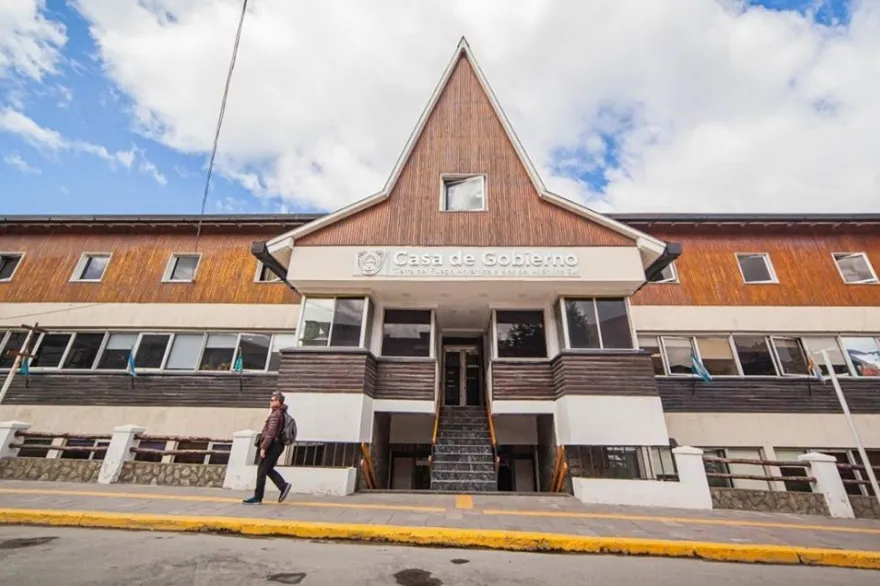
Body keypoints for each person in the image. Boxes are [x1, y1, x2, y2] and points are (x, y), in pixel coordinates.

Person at [243, 391, 292, 504]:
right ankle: (283, 486)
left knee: (261, 471)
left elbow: (271, 433)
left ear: (278, 402)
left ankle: (258, 498)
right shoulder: (280, 413)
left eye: (272, 400)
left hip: (272, 445)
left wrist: (264, 447)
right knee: (268, 469)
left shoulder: (276, 414)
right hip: (277, 445)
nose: (270, 402)